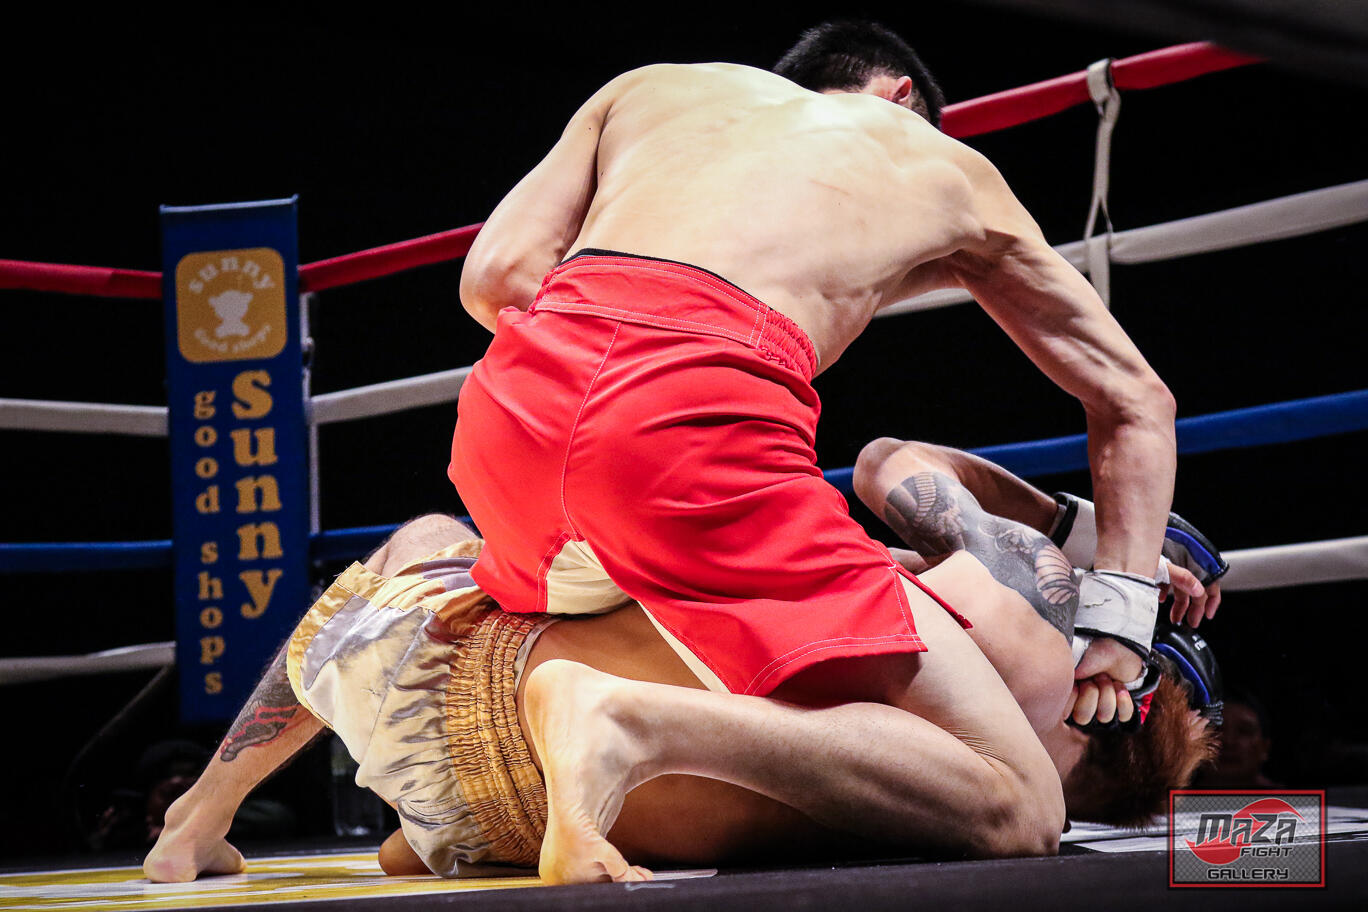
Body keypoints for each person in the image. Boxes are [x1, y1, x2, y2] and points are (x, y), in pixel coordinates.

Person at [448, 19, 1178, 877]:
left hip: (506, 424)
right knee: (1017, 803)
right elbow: (1135, 400)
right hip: (686, 430)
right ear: (902, 98)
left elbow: (492, 280)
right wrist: (1123, 618)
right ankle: (624, 720)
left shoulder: (647, 88)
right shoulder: (938, 162)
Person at [145, 438, 1219, 884]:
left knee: (427, 543)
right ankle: (600, 731)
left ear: (1116, 687)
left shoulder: (1039, 623)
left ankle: (202, 813)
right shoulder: (929, 786)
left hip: (458, 670)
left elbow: (892, 463)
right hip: (475, 808)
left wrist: (1099, 546)